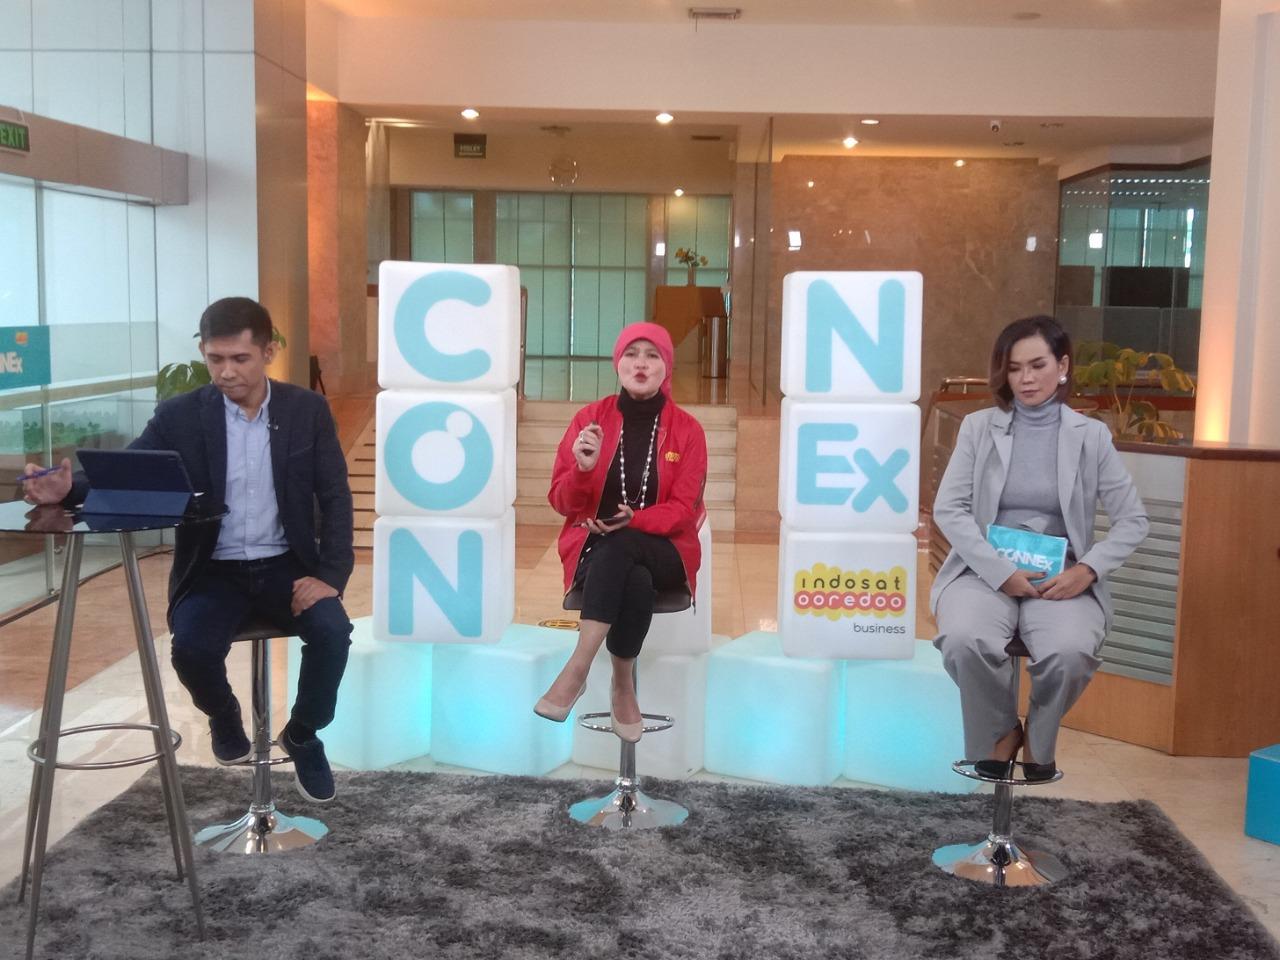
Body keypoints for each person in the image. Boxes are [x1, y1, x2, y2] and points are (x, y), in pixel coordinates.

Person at [22, 297, 354, 803]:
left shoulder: (305, 410)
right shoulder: (180, 415)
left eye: (239, 359)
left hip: (287, 566)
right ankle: (224, 714)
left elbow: (334, 496)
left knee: (333, 633)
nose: (226, 372)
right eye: (215, 359)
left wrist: (330, 575)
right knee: (192, 650)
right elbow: (130, 474)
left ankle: (304, 733)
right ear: (203, 353)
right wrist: (68, 490)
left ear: (268, 352)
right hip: (213, 569)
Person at [930, 315, 1148, 781]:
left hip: (1061, 577)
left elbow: (1133, 520)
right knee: (964, 639)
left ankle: (1039, 738)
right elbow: (949, 509)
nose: (1026, 379)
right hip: (984, 571)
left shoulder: (1091, 437)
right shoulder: (978, 428)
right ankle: (1000, 731)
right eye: (1014, 368)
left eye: (1037, 365)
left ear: (1062, 366)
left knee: (1070, 651)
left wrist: (1087, 570)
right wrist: (1000, 573)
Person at [534, 322, 707, 742]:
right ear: (618, 364)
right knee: (633, 576)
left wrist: (634, 521)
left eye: (652, 355)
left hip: (667, 552)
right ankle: (623, 683)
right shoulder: (589, 421)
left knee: (624, 542)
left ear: (667, 367)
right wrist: (583, 469)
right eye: (631, 354)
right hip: (598, 555)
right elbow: (561, 502)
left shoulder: (688, 430)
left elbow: (683, 511)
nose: (640, 364)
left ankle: (576, 669)